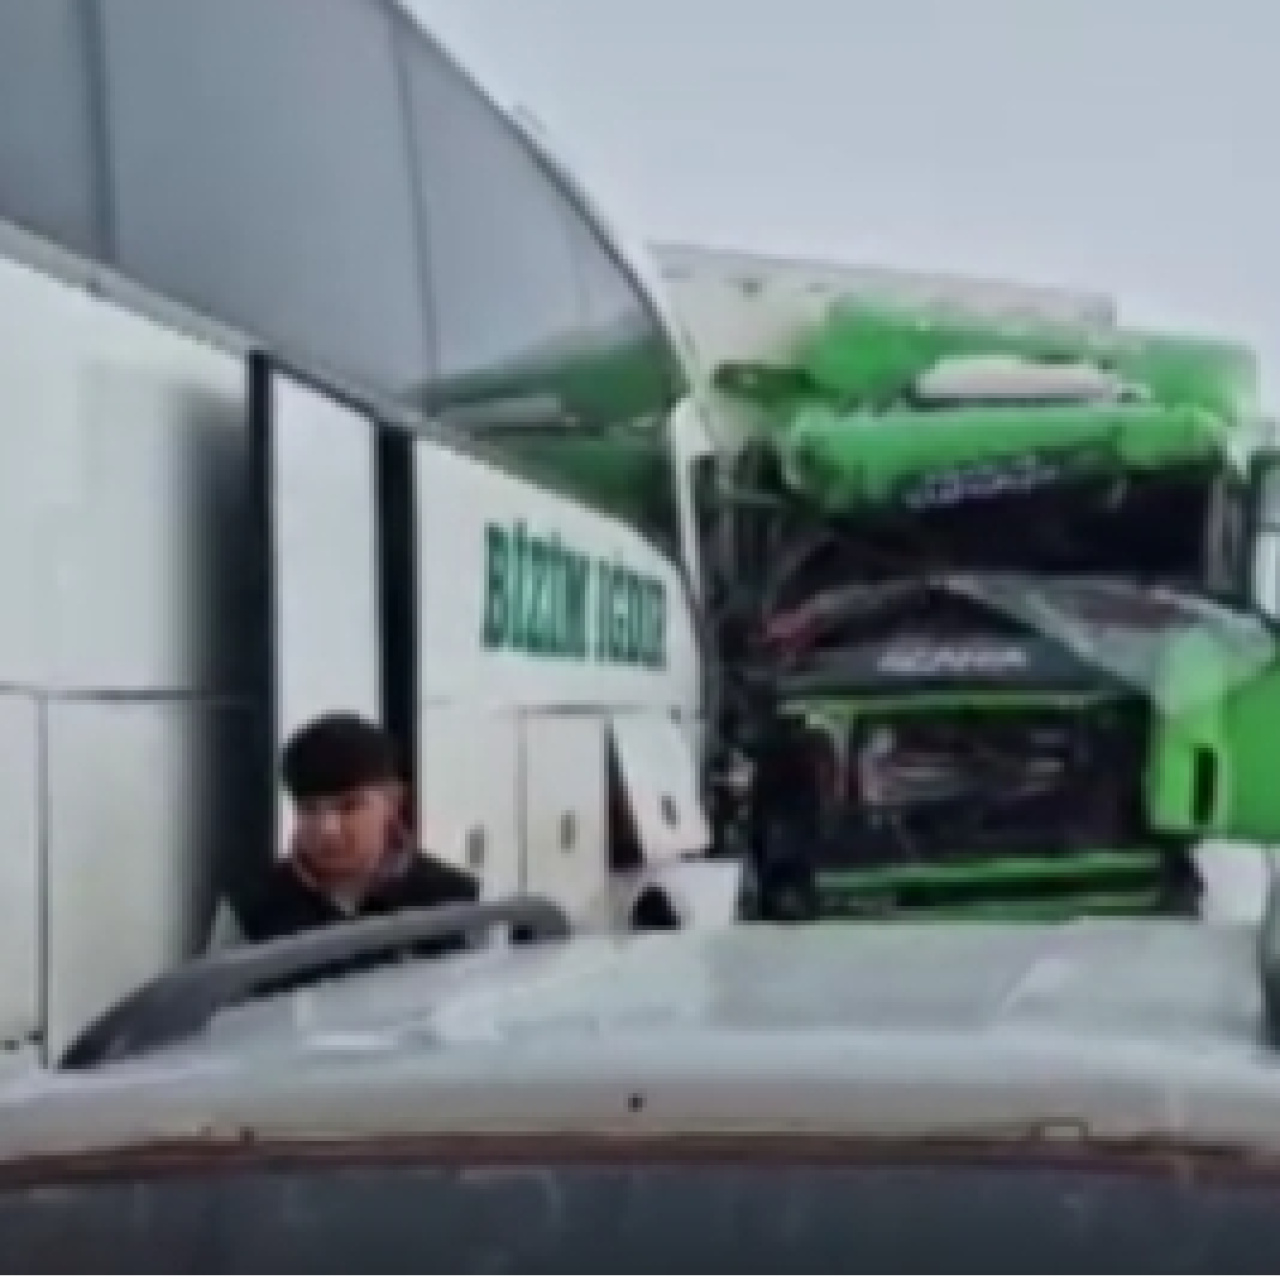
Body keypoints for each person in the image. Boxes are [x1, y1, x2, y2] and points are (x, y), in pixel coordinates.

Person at [214, 711, 479, 947]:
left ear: (393, 802)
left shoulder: (457, 898)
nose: (327, 829)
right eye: (310, 810)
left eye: (349, 807)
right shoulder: (250, 911)